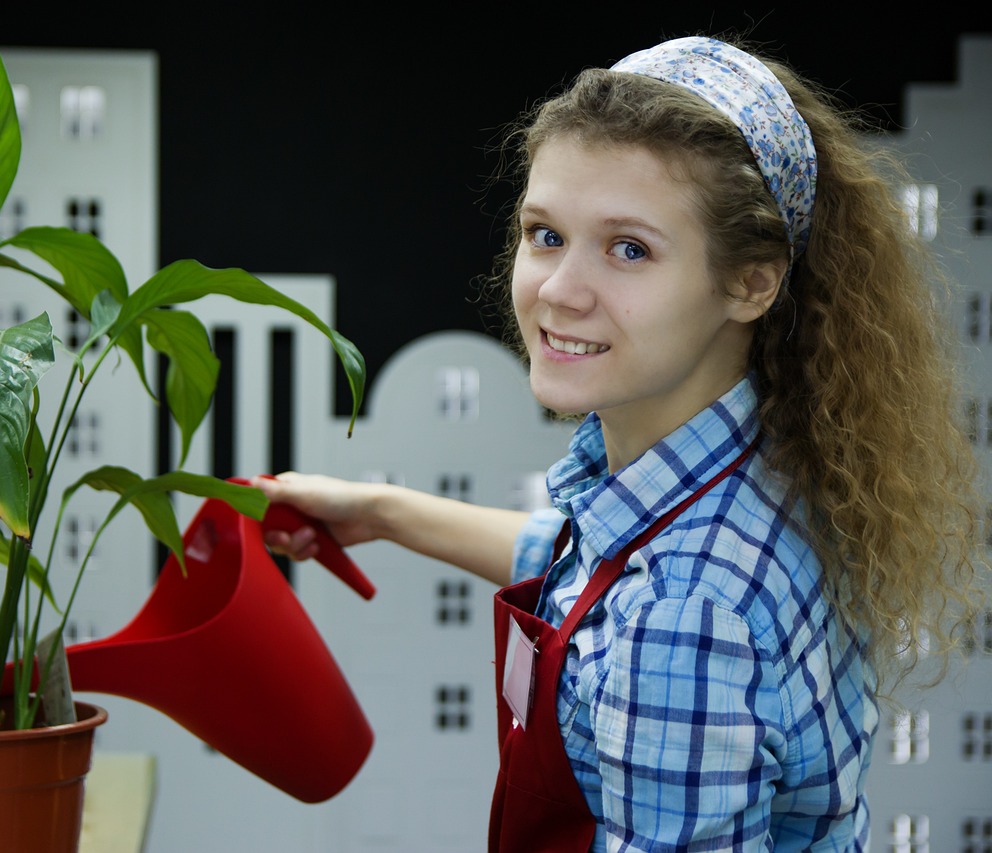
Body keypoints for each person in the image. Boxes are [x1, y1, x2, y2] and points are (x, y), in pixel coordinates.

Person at [254, 35, 986, 851]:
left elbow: (648, 607)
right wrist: (380, 512)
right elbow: (589, 573)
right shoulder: (754, 461)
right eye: (546, 234)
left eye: (629, 248)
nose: (560, 292)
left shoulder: (684, 613)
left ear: (751, 282)